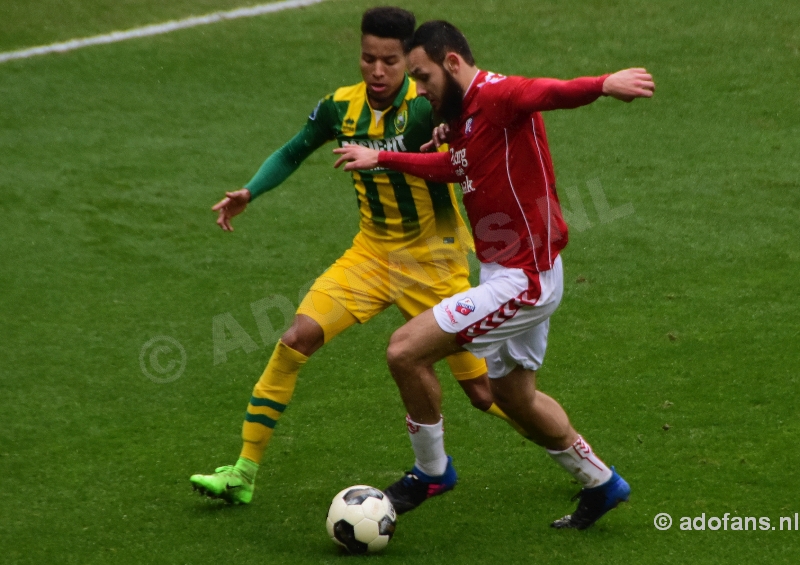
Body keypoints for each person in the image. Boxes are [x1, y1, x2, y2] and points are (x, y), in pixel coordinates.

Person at [190, 8, 527, 505]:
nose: (377, 70)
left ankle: (568, 447)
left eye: (390, 60)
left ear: (407, 59)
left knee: (483, 394)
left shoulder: (427, 104)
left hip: (434, 262)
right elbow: (292, 151)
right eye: (368, 58)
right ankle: (242, 472)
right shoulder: (339, 108)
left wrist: (446, 134)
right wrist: (250, 192)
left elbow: (467, 155)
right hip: (369, 256)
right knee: (294, 339)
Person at [333, 20, 655, 529]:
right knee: (514, 397)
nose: (418, 90)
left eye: (422, 77)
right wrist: (383, 158)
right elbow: (454, 168)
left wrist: (603, 84)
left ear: (452, 63)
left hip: (523, 280)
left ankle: (431, 471)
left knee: (404, 352)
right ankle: (603, 484)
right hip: (514, 270)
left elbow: (547, 92)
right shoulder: (465, 116)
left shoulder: (500, 95)